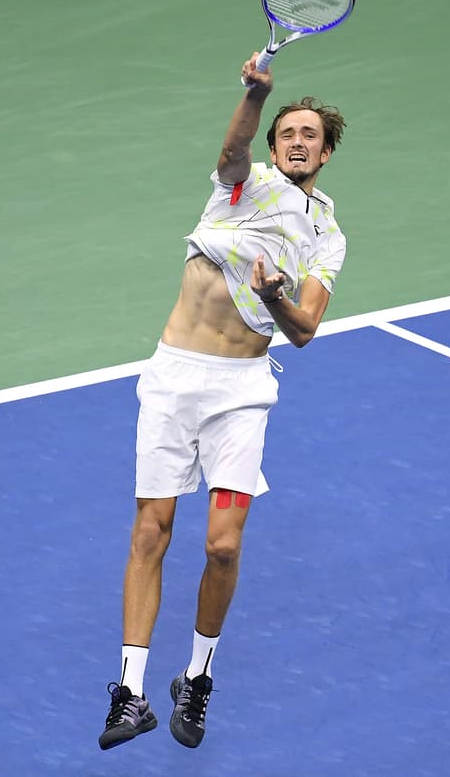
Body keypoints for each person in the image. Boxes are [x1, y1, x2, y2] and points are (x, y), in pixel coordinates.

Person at [98, 52, 347, 751]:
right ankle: (130, 691)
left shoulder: (326, 235)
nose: (297, 142)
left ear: (326, 152)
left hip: (241, 393)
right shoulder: (241, 186)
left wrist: (275, 297)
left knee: (224, 546)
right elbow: (232, 146)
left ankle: (197, 678)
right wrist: (254, 94)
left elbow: (304, 331)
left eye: (310, 136)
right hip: (174, 381)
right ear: (274, 145)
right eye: (287, 132)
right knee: (151, 532)